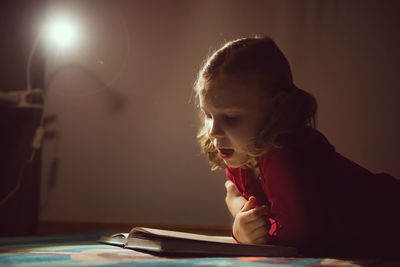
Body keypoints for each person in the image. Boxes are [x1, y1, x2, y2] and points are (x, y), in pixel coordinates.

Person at [193, 36, 400, 257]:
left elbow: (295, 238)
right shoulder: (241, 151)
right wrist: (237, 209)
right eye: (208, 115)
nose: (213, 131)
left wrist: (241, 232)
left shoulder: (284, 152)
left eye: (231, 117)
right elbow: (233, 191)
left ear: (277, 108)